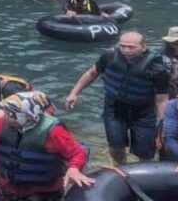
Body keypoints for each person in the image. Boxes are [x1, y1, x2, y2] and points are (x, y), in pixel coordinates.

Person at [0, 92, 94, 201]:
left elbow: (78, 152)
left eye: (11, 114)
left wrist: (74, 168)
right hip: (4, 188)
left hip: (41, 193)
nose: (6, 117)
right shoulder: (1, 124)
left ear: (26, 116)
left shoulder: (54, 131)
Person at [65, 31, 169, 164]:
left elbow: (162, 99)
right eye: (122, 46)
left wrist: (163, 124)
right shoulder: (109, 57)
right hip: (114, 109)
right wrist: (74, 93)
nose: (126, 50)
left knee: (145, 151)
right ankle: (120, 166)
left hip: (143, 112)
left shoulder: (157, 67)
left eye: (131, 47)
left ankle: (144, 169)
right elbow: (92, 73)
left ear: (144, 47)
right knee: (115, 146)